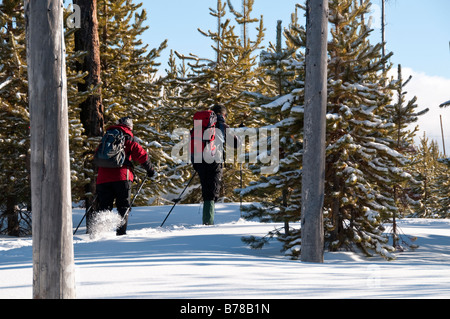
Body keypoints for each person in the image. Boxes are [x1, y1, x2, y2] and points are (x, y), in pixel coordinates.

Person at [93, 116, 155, 235]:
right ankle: (120, 234)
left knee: (104, 207)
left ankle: (100, 233)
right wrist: (150, 170)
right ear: (129, 126)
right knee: (123, 206)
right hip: (122, 177)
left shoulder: (107, 137)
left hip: (103, 178)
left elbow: (97, 155)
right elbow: (142, 155)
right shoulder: (128, 138)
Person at [193, 104, 238, 225]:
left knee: (206, 190)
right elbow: (236, 144)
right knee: (212, 192)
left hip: (199, 161)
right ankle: (208, 222)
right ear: (223, 114)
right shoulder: (222, 125)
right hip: (214, 161)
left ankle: (207, 220)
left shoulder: (200, 124)